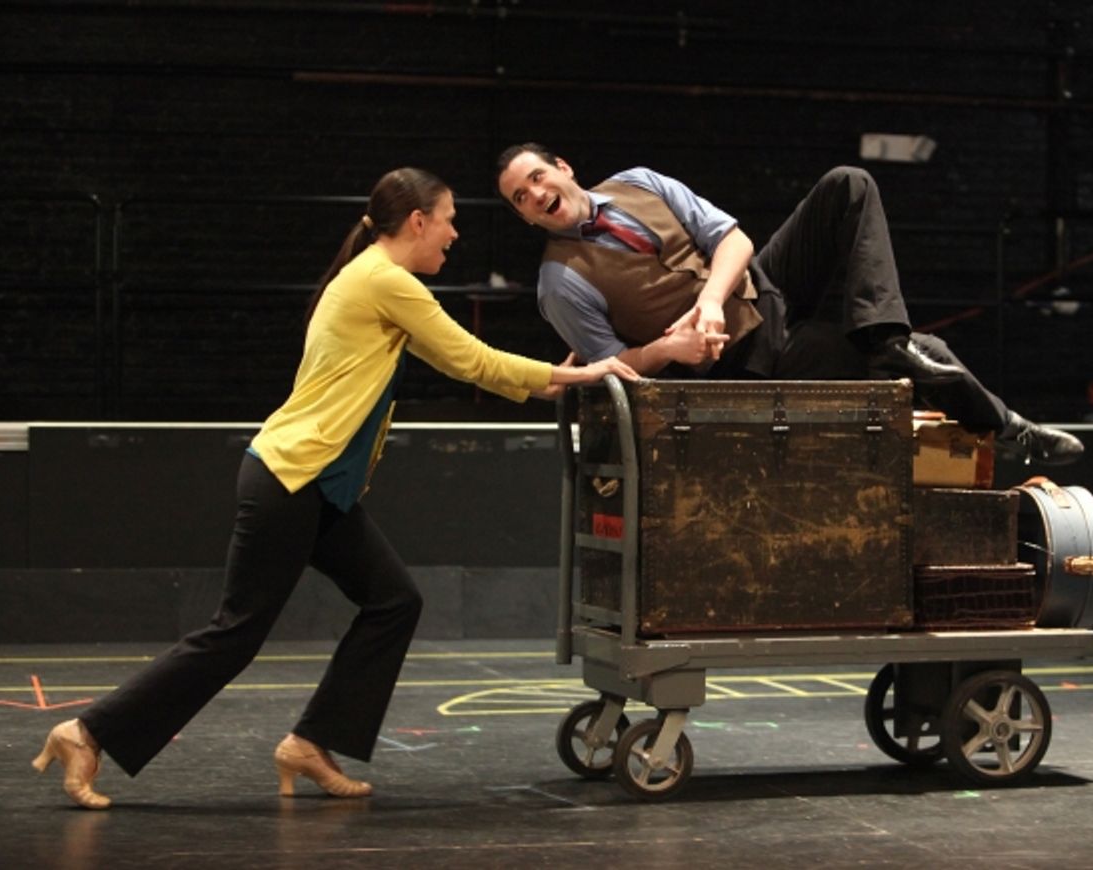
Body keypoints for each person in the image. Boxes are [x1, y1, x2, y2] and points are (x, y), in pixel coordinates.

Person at [32, 167, 639, 810]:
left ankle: (312, 742)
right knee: (234, 634)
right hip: (290, 479)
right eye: (450, 219)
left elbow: (472, 365)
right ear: (417, 222)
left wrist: (549, 380)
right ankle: (87, 732)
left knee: (394, 602)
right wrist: (577, 375)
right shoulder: (385, 280)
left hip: (322, 489)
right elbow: (471, 360)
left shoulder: (369, 279)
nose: (455, 234)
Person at [495, 143, 1083, 465]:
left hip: (759, 289)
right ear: (522, 215)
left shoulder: (639, 181)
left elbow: (733, 240)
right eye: (523, 198)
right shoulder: (560, 282)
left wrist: (710, 299)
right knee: (928, 356)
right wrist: (670, 347)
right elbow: (611, 372)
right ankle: (1010, 429)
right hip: (739, 364)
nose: (539, 195)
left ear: (564, 167)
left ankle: (886, 338)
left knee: (847, 184)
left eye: (539, 178)